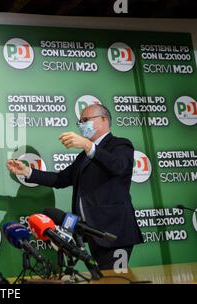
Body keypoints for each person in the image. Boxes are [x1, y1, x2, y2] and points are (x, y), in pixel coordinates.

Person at [7, 104, 142, 270]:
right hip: (92, 233)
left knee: (116, 279)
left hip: (113, 232)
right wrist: (27, 171)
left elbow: (118, 166)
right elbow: (60, 179)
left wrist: (88, 145)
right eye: (79, 122)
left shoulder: (120, 145)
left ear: (103, 120)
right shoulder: (84, 157)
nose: (81, 125)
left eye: (85, 120)